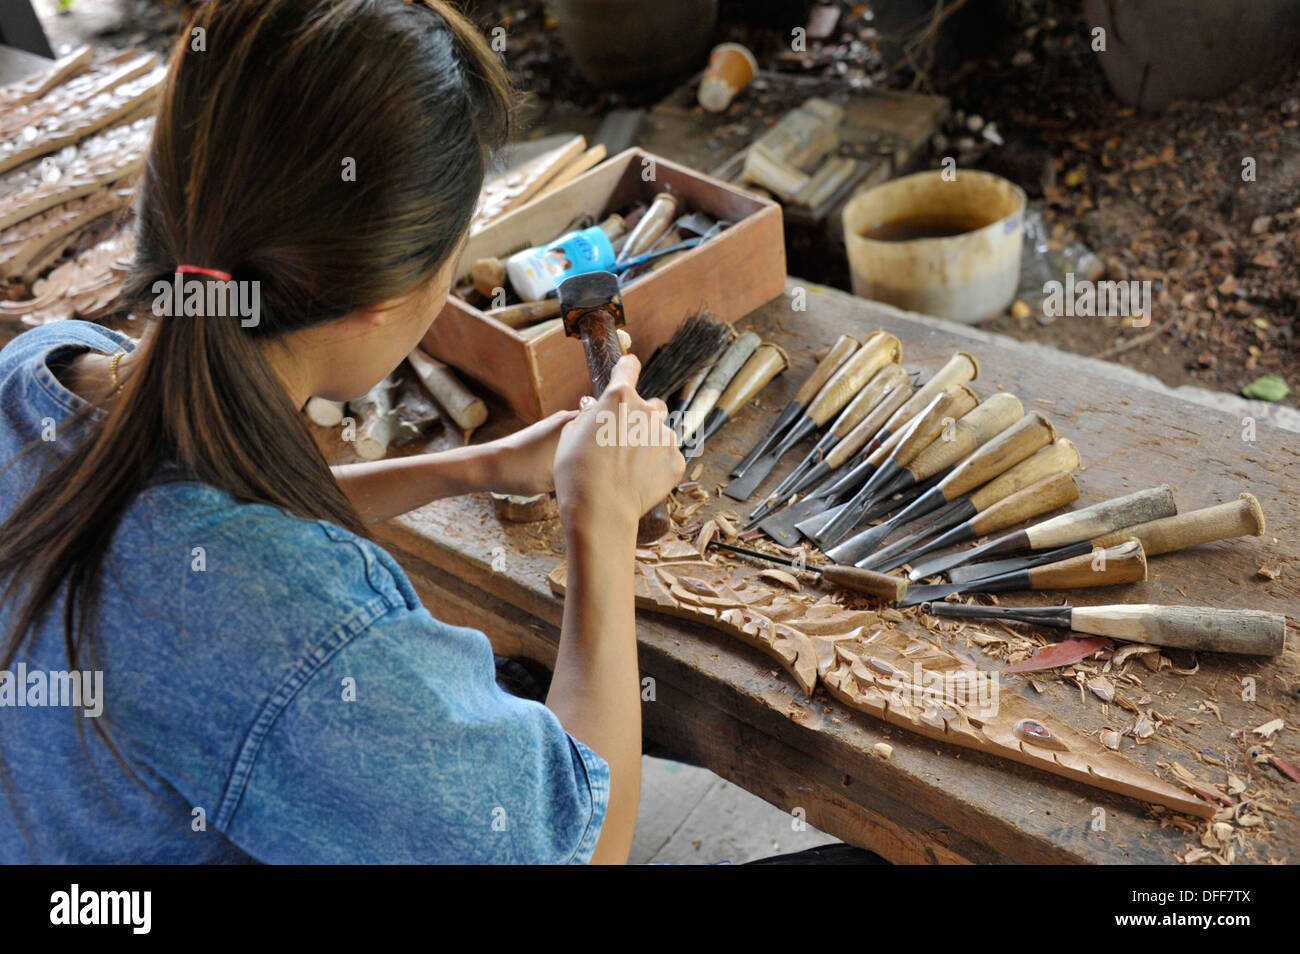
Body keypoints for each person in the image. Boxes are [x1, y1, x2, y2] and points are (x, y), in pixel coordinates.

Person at [0, 0, 683, 864]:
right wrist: (602, 524)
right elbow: (588, 848)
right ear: (383, 302)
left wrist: (475, 467)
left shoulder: (41, 370)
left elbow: (218, 518)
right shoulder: (306, 644)